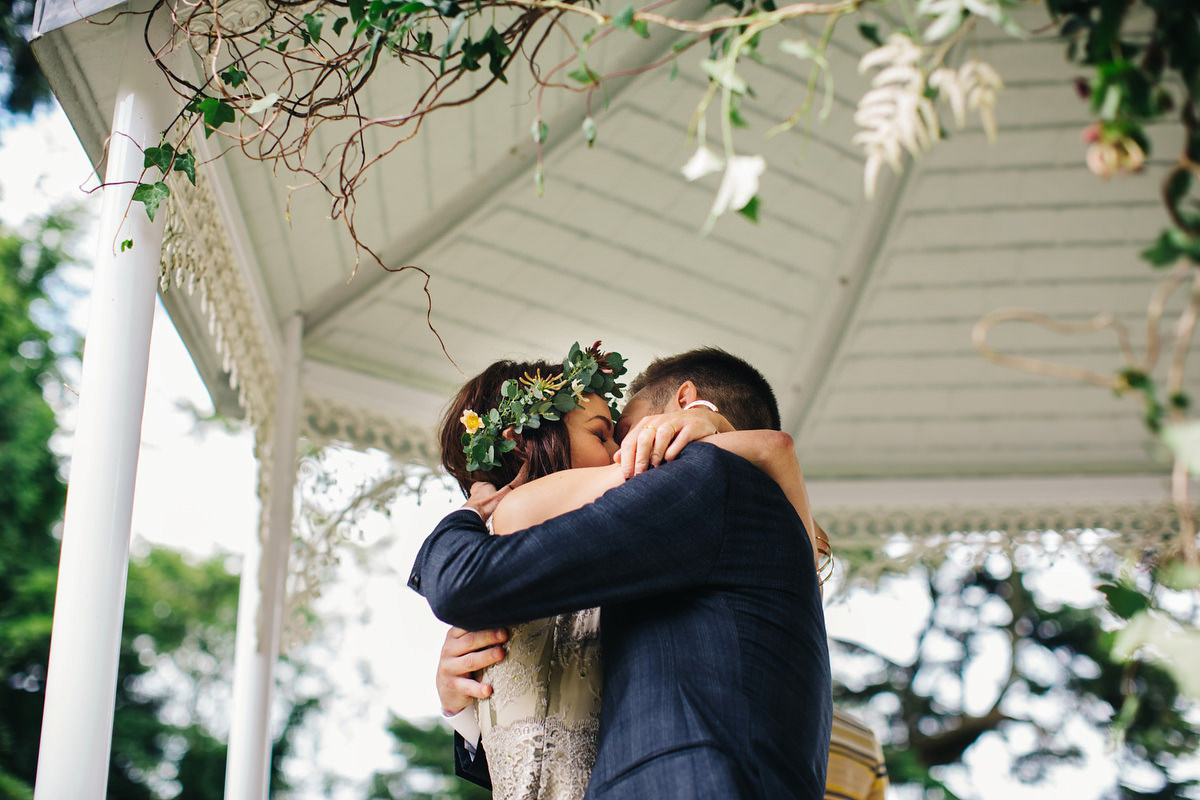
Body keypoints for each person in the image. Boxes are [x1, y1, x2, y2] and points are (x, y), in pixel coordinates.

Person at [410, 345, 832, 799]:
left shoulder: (707, 477)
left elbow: (466, 578)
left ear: (686, 405)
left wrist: (469, 514)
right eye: (606, 435)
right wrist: (463, 707)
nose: (619, 456)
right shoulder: (608, 564)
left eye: (624, 433)